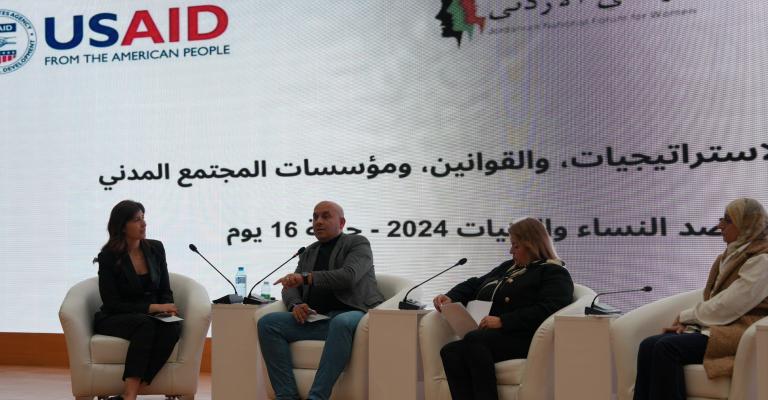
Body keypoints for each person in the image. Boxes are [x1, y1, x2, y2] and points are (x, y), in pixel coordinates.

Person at [634, 198, 768, 400]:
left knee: (666, 347)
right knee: (648, 345)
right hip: (719, 326)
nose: (720, 225)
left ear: (746, 224)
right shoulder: (731, 254)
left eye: (727, 220)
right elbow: (714, 300)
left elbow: (730, 304)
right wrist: (692, 325)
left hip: (741, 330)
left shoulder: (762, 259)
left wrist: (686, 317)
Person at [433, 217, 574, 400]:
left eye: (516, 246)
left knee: (475, 339)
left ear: (531, 245)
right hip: (494, 337)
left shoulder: (553, 272)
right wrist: (451, 296)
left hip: (524, 337)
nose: (511, 251)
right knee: (450, 351)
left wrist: (503, 321)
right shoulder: (508, 267)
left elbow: (550, 308)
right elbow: (475, 284)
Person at [257, 200, 384, 400]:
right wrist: (296, 304)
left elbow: (348, 276)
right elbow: (291, 286)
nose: (318, 221)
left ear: (341, 223)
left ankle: (317, 396)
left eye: (325, 216)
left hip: (354, 314)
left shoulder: (357, 243)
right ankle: (286, 396)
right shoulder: (308, 252)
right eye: (315, 217)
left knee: (340, 322)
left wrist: (307, 277)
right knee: (268, 323)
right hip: (319, 320)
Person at [94, 200, 181, 400]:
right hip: (116, 316)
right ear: (122, 226)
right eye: (136, 220)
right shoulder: (108, 257)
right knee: (145, 325)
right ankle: (130, 395)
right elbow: (112, 303)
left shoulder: (156, 248)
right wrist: (153, 307)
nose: (144, 224)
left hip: (149, 315)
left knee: (172, 328)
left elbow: (165, 288)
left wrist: (167, 308)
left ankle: (129, 392)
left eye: (143, 218)